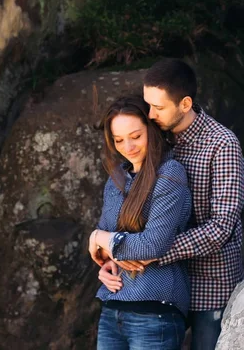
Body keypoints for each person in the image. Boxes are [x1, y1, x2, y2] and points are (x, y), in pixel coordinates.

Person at [105, 59, 244, 350]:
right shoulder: (153, 137)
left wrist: (147, 251)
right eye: (147, 104)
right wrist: (111, 255)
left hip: (210, 284)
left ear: (185, 104)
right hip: (160, 285)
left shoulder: (222, 144)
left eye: (158, 107)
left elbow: (220, 228)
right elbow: (128, 204)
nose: (149, 113)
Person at [89, 95, 191, 350]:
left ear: (152, 130)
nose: (128, 146)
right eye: (119, 139)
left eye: (136, 136)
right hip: (112, 309)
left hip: (155, 311)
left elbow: (151, 245)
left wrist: (98, 239)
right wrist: (108, 261)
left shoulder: (170, 174)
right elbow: (108, 243)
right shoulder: (116, 180)